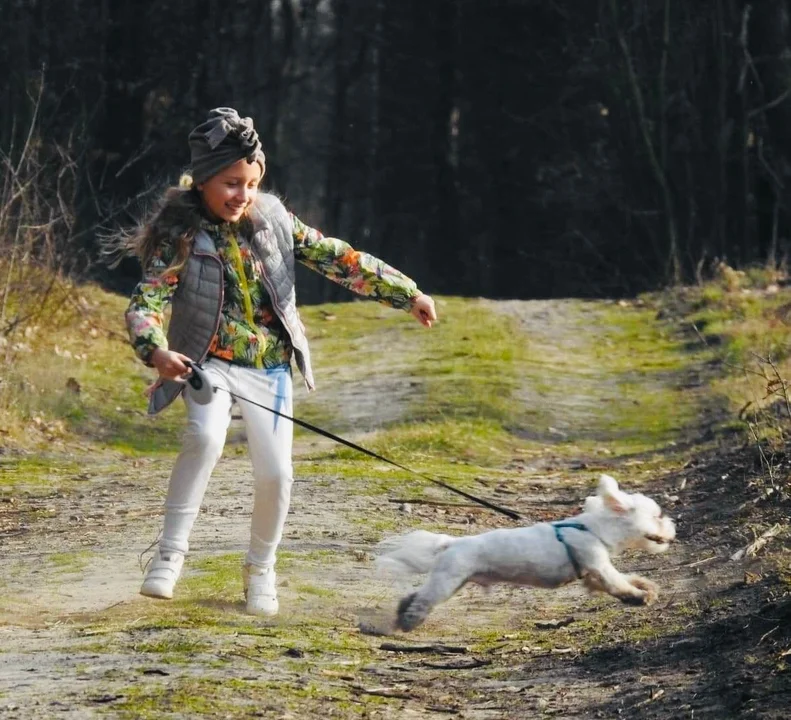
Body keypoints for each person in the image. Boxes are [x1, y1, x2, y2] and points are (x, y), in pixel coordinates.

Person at [123, 107, 437, 616]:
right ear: (203, 180)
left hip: (269, 367)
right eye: (229, 183)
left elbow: (339, 257)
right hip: (208, 363)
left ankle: (261, 569)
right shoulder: (179, 234)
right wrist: (155, 350)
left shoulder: (273, 220)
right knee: (205, 439)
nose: (241, 196)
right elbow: (147, 302)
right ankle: (169, 555)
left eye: (249, 183)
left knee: (278, 475)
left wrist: (407, 294)